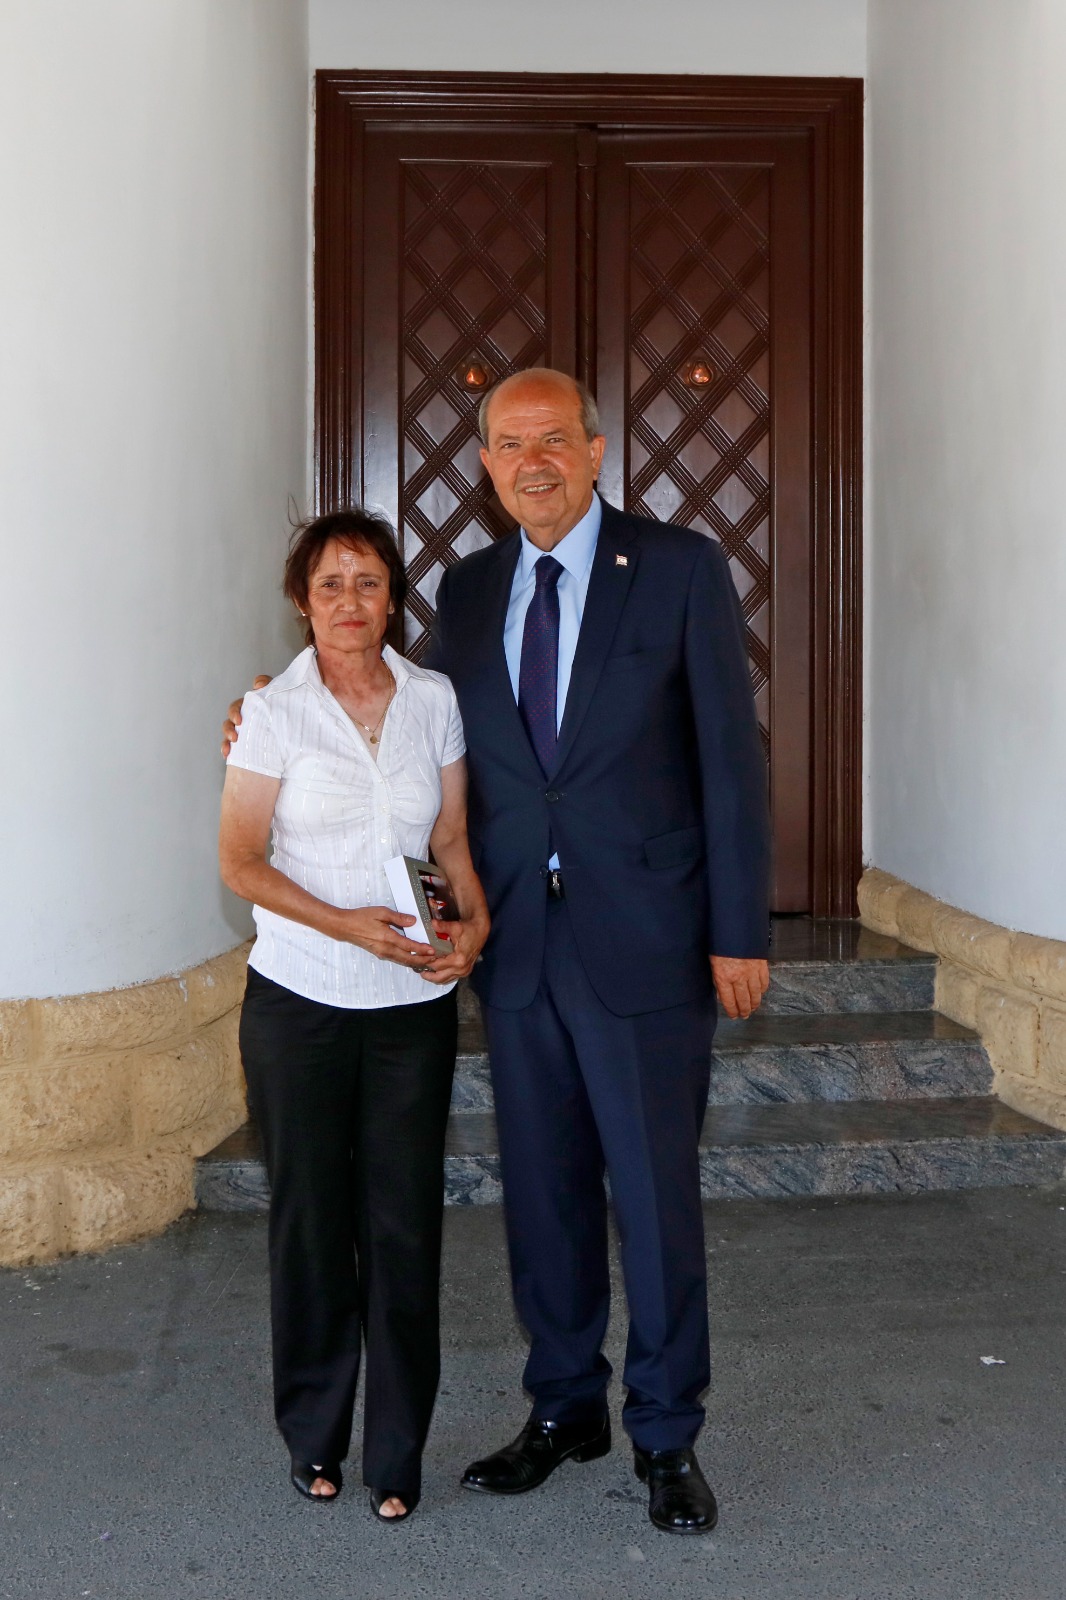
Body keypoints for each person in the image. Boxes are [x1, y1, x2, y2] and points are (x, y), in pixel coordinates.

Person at [223, 369, 770, 1536]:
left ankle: (665, 1432)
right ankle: (564, 1406)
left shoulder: (678, 568)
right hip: (514, 942)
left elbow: (731, 757)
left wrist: (738, 930)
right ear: (485, 465)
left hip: (647, 941)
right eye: (510, 444)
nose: (534, 461)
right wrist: (271, 711)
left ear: (595, 449)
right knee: (544, 1194)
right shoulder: (469, 591)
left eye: (553, 439)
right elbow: (406, 719)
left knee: (655, 1198)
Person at [219, 508, 488, 1524]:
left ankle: (398, 1450)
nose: (349, 601)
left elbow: (449, 840)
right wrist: (345, 925)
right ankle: (315, 1434)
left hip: (412, 1007)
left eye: (367, 582)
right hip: (299, 1002)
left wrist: (474, 926)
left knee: (404, 1226)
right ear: (302, 600)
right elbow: (239, 860)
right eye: (329, 584)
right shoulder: (272, 713)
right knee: (312, 1224)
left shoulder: (433, 700)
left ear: (391, 599)